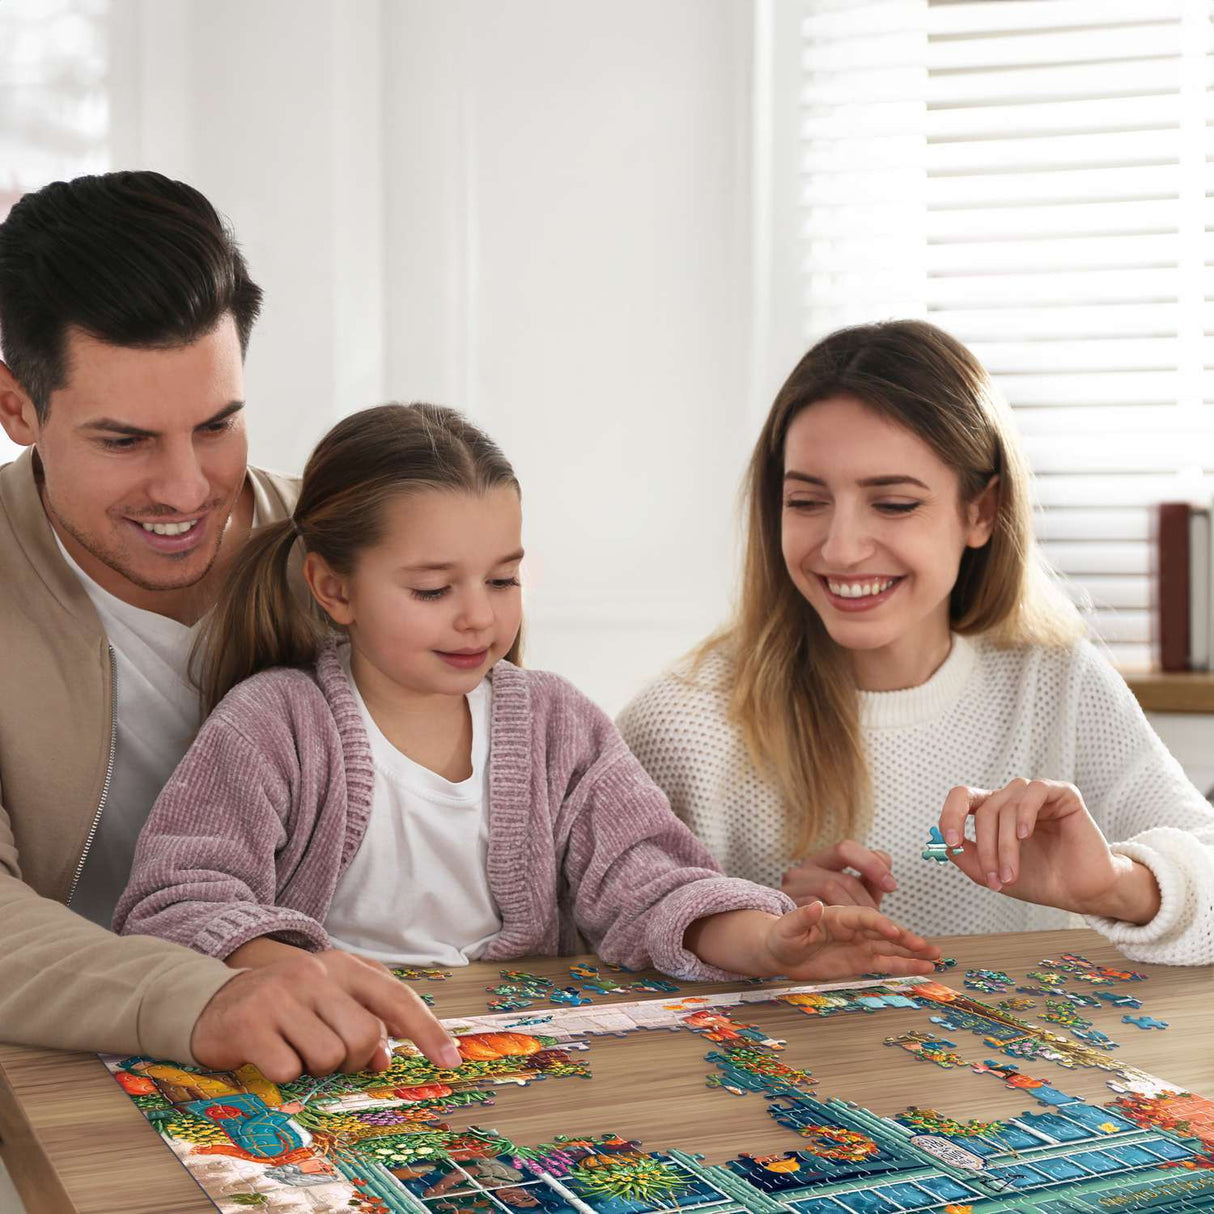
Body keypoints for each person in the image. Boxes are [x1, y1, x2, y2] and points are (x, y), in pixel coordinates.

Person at [114, 402, 941, 1077]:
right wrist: (296, 973)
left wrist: (772, 939)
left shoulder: (558, 724)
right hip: (325, 1065)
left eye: (503, 579)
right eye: (434, 588)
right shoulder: (274, 723)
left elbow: (649, 884)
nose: (480, 615)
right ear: (334, 588)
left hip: (519, 1066)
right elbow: (177, 902)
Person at [0, 171, 453, 1074]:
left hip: (380, 1061)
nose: (183, 490)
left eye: (216, 426)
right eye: (124, 441)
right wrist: (201, 996)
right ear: (16, 407)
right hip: (75, 1076)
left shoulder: (362, 556)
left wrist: (746, 912)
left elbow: (534, 806)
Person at [618, 319, 1214, 964]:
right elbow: (595, 944)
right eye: (805, 501)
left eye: (894, 504)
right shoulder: (678, 723)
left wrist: (1115, 888)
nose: (841, 549)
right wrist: (755, 935)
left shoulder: (1055, 681)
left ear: (980, 512)